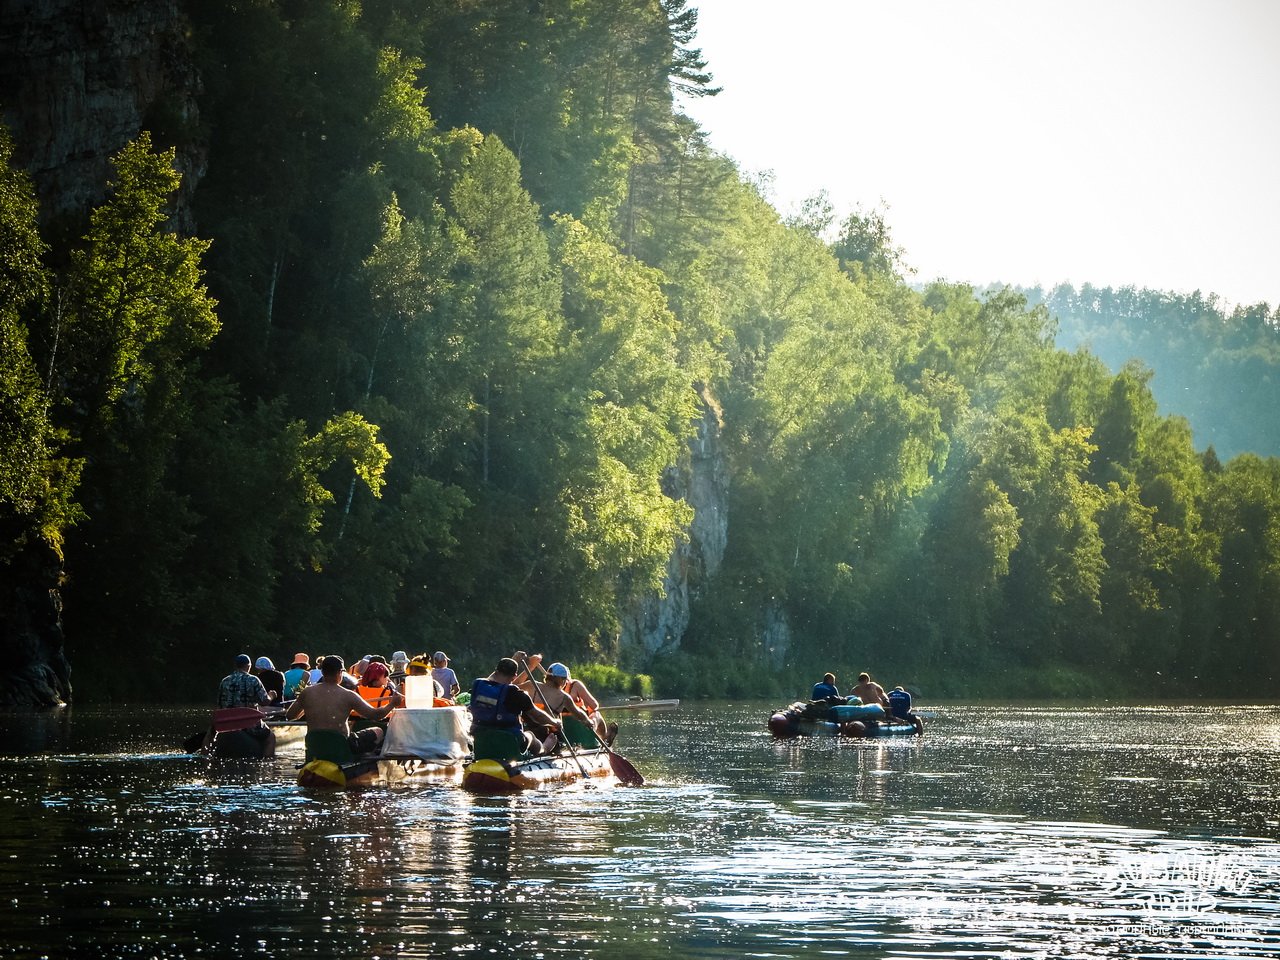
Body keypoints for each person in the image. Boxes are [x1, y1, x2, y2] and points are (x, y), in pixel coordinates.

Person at [286, 655, 394, 757]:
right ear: (340, 673)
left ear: (322, 672)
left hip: (315, 748)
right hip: (341, 748)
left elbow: (290, 716)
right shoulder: (348, 695)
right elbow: (376, 715)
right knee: (378, 731)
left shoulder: (307, 692)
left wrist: (307, 706)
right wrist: (393, 704)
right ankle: (365, 762)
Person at [469, 657, 562, 756]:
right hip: (509, 740)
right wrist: (554, 722)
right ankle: (544, 748)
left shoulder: (477, 685)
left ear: (496, 671)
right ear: (514, 676)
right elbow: (537, 716)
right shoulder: (516, 693)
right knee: (530, 736)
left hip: (480, 735)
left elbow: (489, 681)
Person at [544, 662, 617, 746]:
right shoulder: (574, 685)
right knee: (596, 714)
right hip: (581, 726)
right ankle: (604, 739)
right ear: (563, 679)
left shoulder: (543, 690)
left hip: (560, 730)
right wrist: (585, 706)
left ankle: (602, 739)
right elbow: (595, 705)